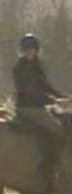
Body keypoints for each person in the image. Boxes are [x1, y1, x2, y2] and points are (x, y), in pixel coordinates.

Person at [13, 33, 66, 185]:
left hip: (38, 107)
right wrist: (54, 101)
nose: (29, 53)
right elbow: (29, 91)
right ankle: (49, 167)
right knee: (58, 129)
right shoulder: (19, 68)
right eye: (26, 50)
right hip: (27, 108)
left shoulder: (38, 66)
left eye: (32, 50)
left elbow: (45, 86)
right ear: (22, 51)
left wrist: (62, 96)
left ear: (36, 50)